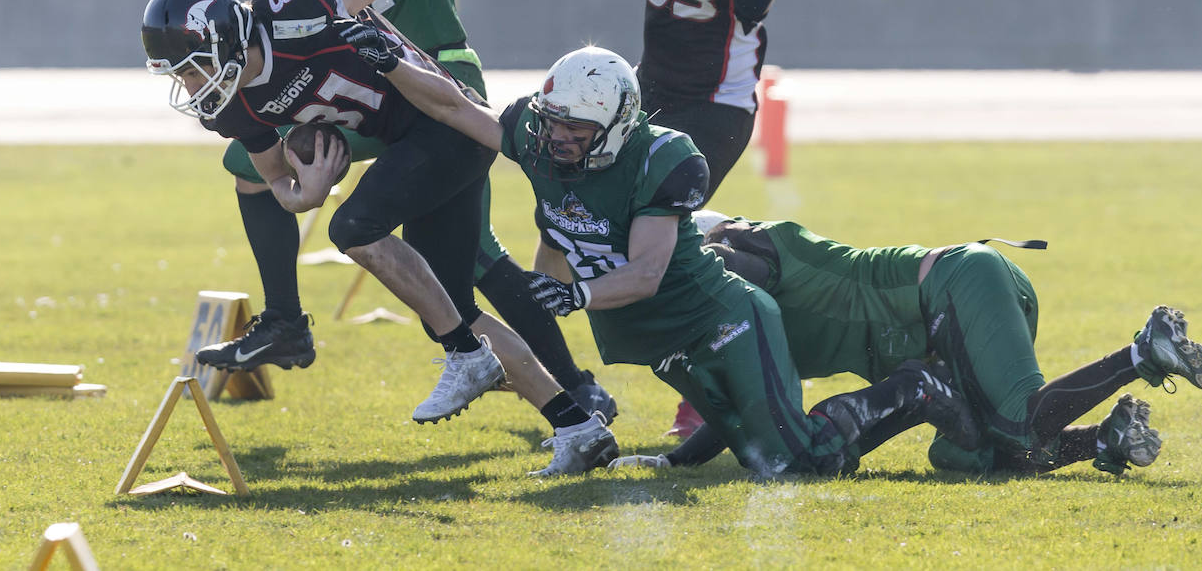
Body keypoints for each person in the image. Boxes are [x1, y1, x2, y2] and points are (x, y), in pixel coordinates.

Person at [141, 0, 617, 477]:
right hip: (407, 140)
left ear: (224, 40)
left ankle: (468, 358)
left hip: (444, 116)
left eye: (190, 66)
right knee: (454, 309)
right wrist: (305, 193)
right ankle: (578, 424)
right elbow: (278, 185)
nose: (189, 84)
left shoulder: (299, 3)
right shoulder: (235, 105)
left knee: (357, 230)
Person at [341, 39, 982, 479]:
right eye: (553, 122)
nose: (559, 138)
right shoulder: (538, 141)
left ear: (618, 124)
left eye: (576, 129)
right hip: (656, 335)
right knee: (750, 442)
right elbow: (456, 106)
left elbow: (647, 272)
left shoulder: (663, 156)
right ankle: (696, 456)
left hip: (716, 318)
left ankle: (916, 387)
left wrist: (576, 295)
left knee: (788, 465)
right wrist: (392, 63)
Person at [210, 0, 618, 417]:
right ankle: (285, 320)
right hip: (366, 90)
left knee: (471, 256)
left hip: (436, 72)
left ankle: (576, 391)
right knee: (248, 162)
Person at [543, 0, 804, 436]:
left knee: (663, 247)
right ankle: (536, 357)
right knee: (565, 215)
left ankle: (710, 391)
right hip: (647, 90)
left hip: (718, 103)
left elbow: (753, 3)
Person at [609, 213, 1202, 476]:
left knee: (1018, 425)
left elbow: (734, 277)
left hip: (958, 286)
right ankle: (1103, 439)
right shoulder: (734, 308)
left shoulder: (737, 257)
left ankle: (1143, 352)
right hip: (931, 331)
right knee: (973, 457)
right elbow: (751, 400)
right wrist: (675, 460)